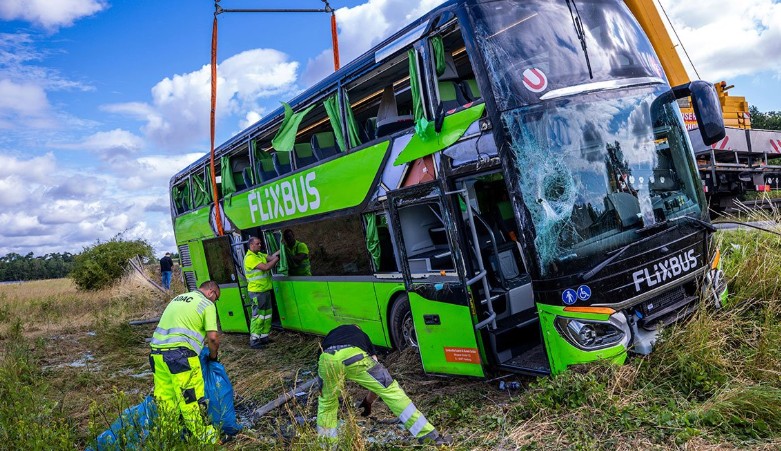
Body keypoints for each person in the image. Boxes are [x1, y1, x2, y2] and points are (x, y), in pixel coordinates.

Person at [316, 324, 452, 446]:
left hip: (326, 359)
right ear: (358, 328)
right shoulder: (361, 335)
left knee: (327, 404)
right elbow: (377, 374)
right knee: (391, 391)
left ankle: (326, 446)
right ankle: (429, 437)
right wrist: (368, 401)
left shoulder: (331, 335)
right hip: (354, 355)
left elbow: (320, 362)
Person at [149, 280, 221, 444]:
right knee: (191, 399)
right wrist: (213, 357)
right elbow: (212, 338)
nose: (214, 301)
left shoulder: (179, 298)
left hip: (156, 355)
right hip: (180, 357)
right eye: (216, 298)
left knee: (166, 399)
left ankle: (172, 438)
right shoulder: (207, 304)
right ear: (211, 292)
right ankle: (206, 440)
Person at [243, 236, 280, 349]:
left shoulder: (259, 255)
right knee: (258, 316)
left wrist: (281, 249)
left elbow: (271, 257)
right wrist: (276, 259)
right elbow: (266, 266)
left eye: (260, 243)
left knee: (267, 315)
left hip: (265, 291)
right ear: (251, 245)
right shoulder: (250, 258)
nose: (260, 245)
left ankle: (264, 337)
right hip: (257, 292)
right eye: (258, 244)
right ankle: (254, 340)